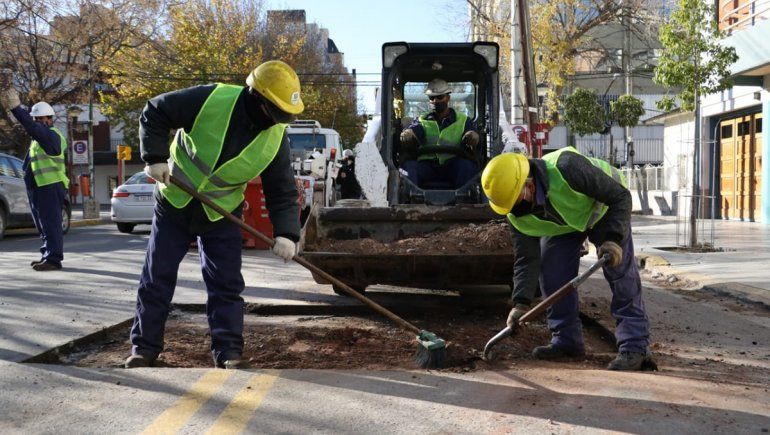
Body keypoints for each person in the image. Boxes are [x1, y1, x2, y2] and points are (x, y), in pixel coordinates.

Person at [124, 60, 304, 369]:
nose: (277, 121)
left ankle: (229, 352)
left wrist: (287, 233)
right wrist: (155, 157)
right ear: (256, 97)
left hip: (220, 212)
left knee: (226, 283)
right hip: (176, 201)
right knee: (158, 276)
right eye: (273, 112)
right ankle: (144, 349)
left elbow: (282, 190)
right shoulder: (211, 99)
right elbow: (155, 110)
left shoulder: (276, 139)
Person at [481, 147, 651, 371]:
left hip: (606, 209)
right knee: (552, 271)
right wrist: (520, 304)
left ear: (529, 185)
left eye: (517, 202)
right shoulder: (515, 215)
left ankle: (635, 347)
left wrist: (612, 239)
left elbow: (620, 196)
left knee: (620, 275)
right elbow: (526, 259)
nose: (516, 211)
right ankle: (566, 341)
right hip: (567, 223)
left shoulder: (567, 167)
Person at [0, 83, 68, 271]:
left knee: (50, 222)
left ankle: (54, 259)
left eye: (39, 119)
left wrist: (16, 108)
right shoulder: (38, 139)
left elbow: (32, 128)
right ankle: (47, 254)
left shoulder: (52, 136)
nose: (36, 122)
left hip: (50, 185)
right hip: (38, 186)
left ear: (48, 119)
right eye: (35, 119)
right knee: (43, 223)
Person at [399, 78, 479, 189]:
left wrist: (473, 136)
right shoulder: (422, 120)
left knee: (467, 166)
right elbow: (415, 130)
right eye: (432, 98)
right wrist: (408, 133)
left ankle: (464, 201)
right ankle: (410, 200)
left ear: (448, 98)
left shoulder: (463, 120)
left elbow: (472, 133)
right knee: (408, 167)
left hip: (453, 165)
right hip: (427, 166)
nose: (435, 101)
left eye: (440, 97)